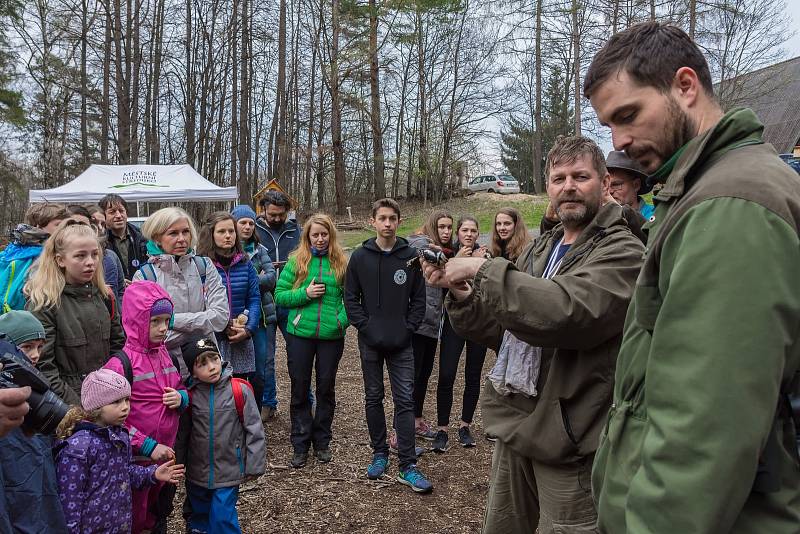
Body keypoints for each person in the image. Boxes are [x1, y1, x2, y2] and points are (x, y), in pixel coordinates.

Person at [583, 22, 800, 533]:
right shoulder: (704, 192)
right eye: (609, 126)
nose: (619, 142)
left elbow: (704, 432)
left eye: (628, 115)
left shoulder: (731, 206)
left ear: (685, 86)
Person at [423, 135, 645, 533]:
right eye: (559, 178)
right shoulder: (541, 249)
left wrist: (479, 270)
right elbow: (506, 329)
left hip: (571, 438)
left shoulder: (624, 250)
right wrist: (459, 295)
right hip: (516, 425)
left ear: (604, 183)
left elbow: (564, 312)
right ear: (548, 187)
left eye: (580, 176)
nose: (569, 187)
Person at [344, 198, 433, 493]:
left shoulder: (410, 256)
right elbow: (350, 299)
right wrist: (365, 326)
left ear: (398, 221)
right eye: (382, 218)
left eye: (392, 218)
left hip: (401, 342)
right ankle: (379, 453)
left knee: (405, 400)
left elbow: (419, 300)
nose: (387, 223)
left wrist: (408, 328)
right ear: (373, 221)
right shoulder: (359, 256)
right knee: (373, 397)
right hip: (370, 341)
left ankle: (407, 465)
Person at [103, 280, 188, 533]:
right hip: (135, 460)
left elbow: (181, 387)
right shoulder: (121, 365)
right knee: (134, 516)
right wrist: (147, 445)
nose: (163, 328)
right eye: (155, 321)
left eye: (166, 320)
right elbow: (111, 420)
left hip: (165, 455)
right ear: (137, 320)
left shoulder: (167, 356)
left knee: (158, 512)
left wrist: (181, 398)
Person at [55, 369, 184, 534]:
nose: (125, 407)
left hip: (120, 525)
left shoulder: (120, 435)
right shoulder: (78, 448)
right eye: (116, 402)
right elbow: (69, 503)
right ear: (96, 406)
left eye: (127, 400)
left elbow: (125, 472)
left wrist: (152, 474)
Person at [274, 214, 349, 468]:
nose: (319, 239)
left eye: (324, 234)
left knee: (326, 388)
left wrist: (341, 320)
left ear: (331, 235)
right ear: (307, 236)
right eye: (315, 234)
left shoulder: (341, 262)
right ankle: (300, 442)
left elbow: (352, 298)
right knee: (300, 387)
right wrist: (304, 294)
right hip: (300, 336)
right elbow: (280, 296)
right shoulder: (297, 262)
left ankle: (322, 441)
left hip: (331, 336)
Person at [25, 220, 126, 405]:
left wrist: (112, 394)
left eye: (95, 254)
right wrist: (77, 409)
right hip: (67, 404)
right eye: (80, 256)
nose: (90, 262)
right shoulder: (45, 302)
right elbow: (43, 366)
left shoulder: (104, 296)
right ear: (60, 259)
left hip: (107, 399)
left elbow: (118, 346)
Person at [176, 336, 266, 533]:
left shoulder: (239, 390)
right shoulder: (190, 395)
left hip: (229, 470)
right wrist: (179, 464)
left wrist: (255, 464)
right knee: (199, 518)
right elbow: (184, 433)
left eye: (214, 359)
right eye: (203, 364)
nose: (212, 367)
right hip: (197, 473)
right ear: (193, 371)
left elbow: (254, 429)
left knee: (222, 519)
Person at [133, 207, 229, 367]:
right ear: (157, 237)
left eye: (186, 232)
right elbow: (147, 335)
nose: (182, 239)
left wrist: (172, 321)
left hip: (207, 364)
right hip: (165, 367)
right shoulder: (144, 277)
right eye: (173, 233)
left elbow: (220, 318)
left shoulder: (204, 266)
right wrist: (201, 326)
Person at [0, 317, 68, 533]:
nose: (36, 354)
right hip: (16, 497)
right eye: (27, 347)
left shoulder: (39, 394)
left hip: (44, 490)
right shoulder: (7, 404)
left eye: (40, 346)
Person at [430, 215, 490, 452]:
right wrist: (458, 260)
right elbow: (439, 282)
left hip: (478, 323)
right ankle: (442, 428)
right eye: (464, 230)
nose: (469, 234)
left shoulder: (484, 257)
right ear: (458, 233)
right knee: (446, 375)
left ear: (477, 234)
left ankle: (465, 425)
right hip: (454, 323)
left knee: (473, 375)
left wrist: (477, 263)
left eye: (473, 230)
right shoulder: (447, 254)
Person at [405, 210, 455, 443]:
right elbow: (412, 249)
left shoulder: (445, 251)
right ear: (433, 226)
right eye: (442, 227)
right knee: (411, 376)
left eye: (449, 227)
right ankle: (402, 428)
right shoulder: (421, 244)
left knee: (424, 375)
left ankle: (416, 421)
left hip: (433, 324)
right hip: (416, 324)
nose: (446, 231)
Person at [197, 211, 262, 379]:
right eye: (221, 231)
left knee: (240, 387)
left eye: (231, 231)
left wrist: (249, 329)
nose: (228, 236)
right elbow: (198, 303)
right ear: (211, 235)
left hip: (240, 336)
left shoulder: (245, 263)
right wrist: (223, 324)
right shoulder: (200, 265)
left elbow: (254, 299)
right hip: (212, 338)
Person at [231, 204, 278, 417]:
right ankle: (236, 409)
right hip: (235, 319)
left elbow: (271, 278)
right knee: (236, 367)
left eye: (251, 223)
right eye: (243, 223)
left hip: (262, 318)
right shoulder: (226, 252)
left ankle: (259, 410)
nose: (248, 227)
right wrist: (255, 279)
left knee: (262, 366)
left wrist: (248, 280)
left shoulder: (260, 250)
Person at [256, 191, 300, 376]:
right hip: (264, 301)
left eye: (281, 214)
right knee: (266, 358)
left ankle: (304, 400)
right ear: (263, 210)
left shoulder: (297, 231)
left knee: (299, 355)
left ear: (288, 211)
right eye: (272, 214)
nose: (276, 218)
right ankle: (268, 402)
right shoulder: (254, 230)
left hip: (291, 299)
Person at [0, 203, 67, 313]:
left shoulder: (14, 247)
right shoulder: (44, 254)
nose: (63, 229)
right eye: (58, 225)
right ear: (38, 227)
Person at [66, 204, 125, 304]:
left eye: (103, 224)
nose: (100, 228)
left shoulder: (109, 256)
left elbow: (117, 295)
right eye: (80, 256)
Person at [99, 193, 148, 281]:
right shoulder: (100, 242)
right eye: (112, 212)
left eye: (121, 211)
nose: (118, 216)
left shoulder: (142, 237)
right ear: (103, 216)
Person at [606, 150, 655, 219]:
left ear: (636, 185)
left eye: (616, 185)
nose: (610, 191)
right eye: (606, 185)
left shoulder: (655, 216)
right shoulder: (600, 219)